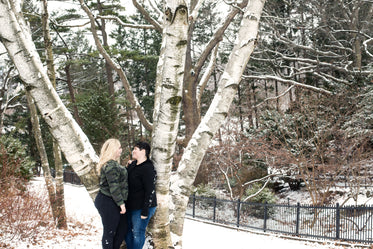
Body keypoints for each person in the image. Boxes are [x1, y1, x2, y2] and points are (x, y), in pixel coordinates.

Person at [94, 138, 128, 249]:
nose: (121, 150)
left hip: (112, 201)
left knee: (122, 229)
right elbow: (114, 187)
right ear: (113, 149)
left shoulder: (113, 165)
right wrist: (121, 204)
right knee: (110, 231)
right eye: (119, 147)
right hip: (107, 201)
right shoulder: (110, 166)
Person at [125, 141, 157, 249]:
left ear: (143, 152)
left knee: (138, 233)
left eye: (135, 149)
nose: (133, 151)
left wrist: (145, 211)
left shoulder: (148, 168)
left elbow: (150, 190)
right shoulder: (132, 165)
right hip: (130, 205)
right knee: (127, 230)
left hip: (142, 207)